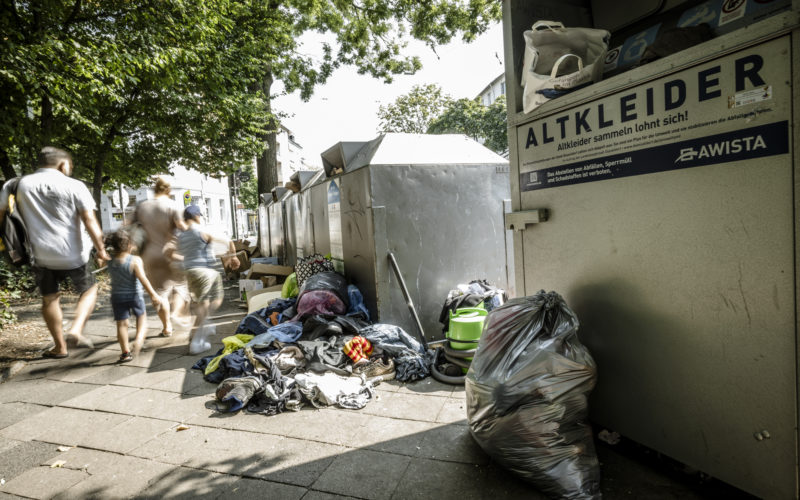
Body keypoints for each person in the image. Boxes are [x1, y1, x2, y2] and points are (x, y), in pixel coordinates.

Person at [0, 147, 110, 358]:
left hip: (39, 254)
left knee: (50, 299)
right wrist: (102, 250)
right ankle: (76, 329)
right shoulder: (75, 185)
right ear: (63, 164)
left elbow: (1, 216)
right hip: (75, 253)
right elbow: (89, 221)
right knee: (89, 290)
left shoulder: (15, 184)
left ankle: (60, 347)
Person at [131, 177, 189, 337]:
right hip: (171, 253)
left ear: (154, 189)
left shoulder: (142, 206)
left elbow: (128, 226)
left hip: (148, 255)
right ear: (168, 190)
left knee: (159, 293)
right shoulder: (173, 206)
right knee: (180, 286)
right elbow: (182, 228)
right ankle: (176, 313)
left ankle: (166, 327)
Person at [177, 204, 239, 354]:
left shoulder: (182, 236)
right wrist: (233, 257)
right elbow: (227, 241)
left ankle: (201, 328)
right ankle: (198, 339)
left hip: (189, 272)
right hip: (206, 272)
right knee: (216, 299)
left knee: (201, 302)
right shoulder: (201, 231)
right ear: (197, 217)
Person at [105, 229, 164, 362]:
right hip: (134, 296)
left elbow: (101, 258)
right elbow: (143, 279)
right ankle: (138, 340)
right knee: (142, 320)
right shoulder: (135, 260)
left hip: (117, 297)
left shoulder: (110, 261)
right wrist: (154, 295)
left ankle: (125, 352)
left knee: (121, 325)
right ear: (130, 244)